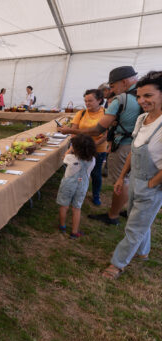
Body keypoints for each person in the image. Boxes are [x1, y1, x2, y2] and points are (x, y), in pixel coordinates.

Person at [58, 66, 141, 225]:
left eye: (113, 86)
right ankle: (127, 210)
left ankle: (113, 216)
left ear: (123, 82)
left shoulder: (121, 99)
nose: (112, 90)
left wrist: (69, 130)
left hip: (123, 145)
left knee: (121, 180)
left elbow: (98, 129)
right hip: (135, 144)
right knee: (129, 179)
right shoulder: (141, 95)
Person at [102, 71, 162, 279]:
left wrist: (152, 183)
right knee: (141, 218)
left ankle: (117, 264)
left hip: (152, 183)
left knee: (134, 225)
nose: (142, 101)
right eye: (139, 96)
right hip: (135, 178)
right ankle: (143, 252)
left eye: (148, 96)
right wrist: (121, 177)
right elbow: (134, 150)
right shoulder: (142, 119)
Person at [70, 89, 107, 205]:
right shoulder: (80, 113)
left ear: (99, 100)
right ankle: (77, 192)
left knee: (96, 174)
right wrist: (77, 146)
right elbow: (73, 131)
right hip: (81, 149)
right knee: (79, 173)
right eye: (85, 101)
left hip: (98, 149)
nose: (87, 103)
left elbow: (107, 134)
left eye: (90, 100)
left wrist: (93, 145)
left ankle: (96, 195)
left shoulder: (106, 113)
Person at [57, 134, 96, 238]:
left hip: (68, 184)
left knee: (64, 205)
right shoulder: (93, 160)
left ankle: (62, 226)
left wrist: (70, 149)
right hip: (82, 185)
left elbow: (64, 157)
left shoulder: (70, 158)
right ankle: (74, 232)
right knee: (77, 208)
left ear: (76, 148)